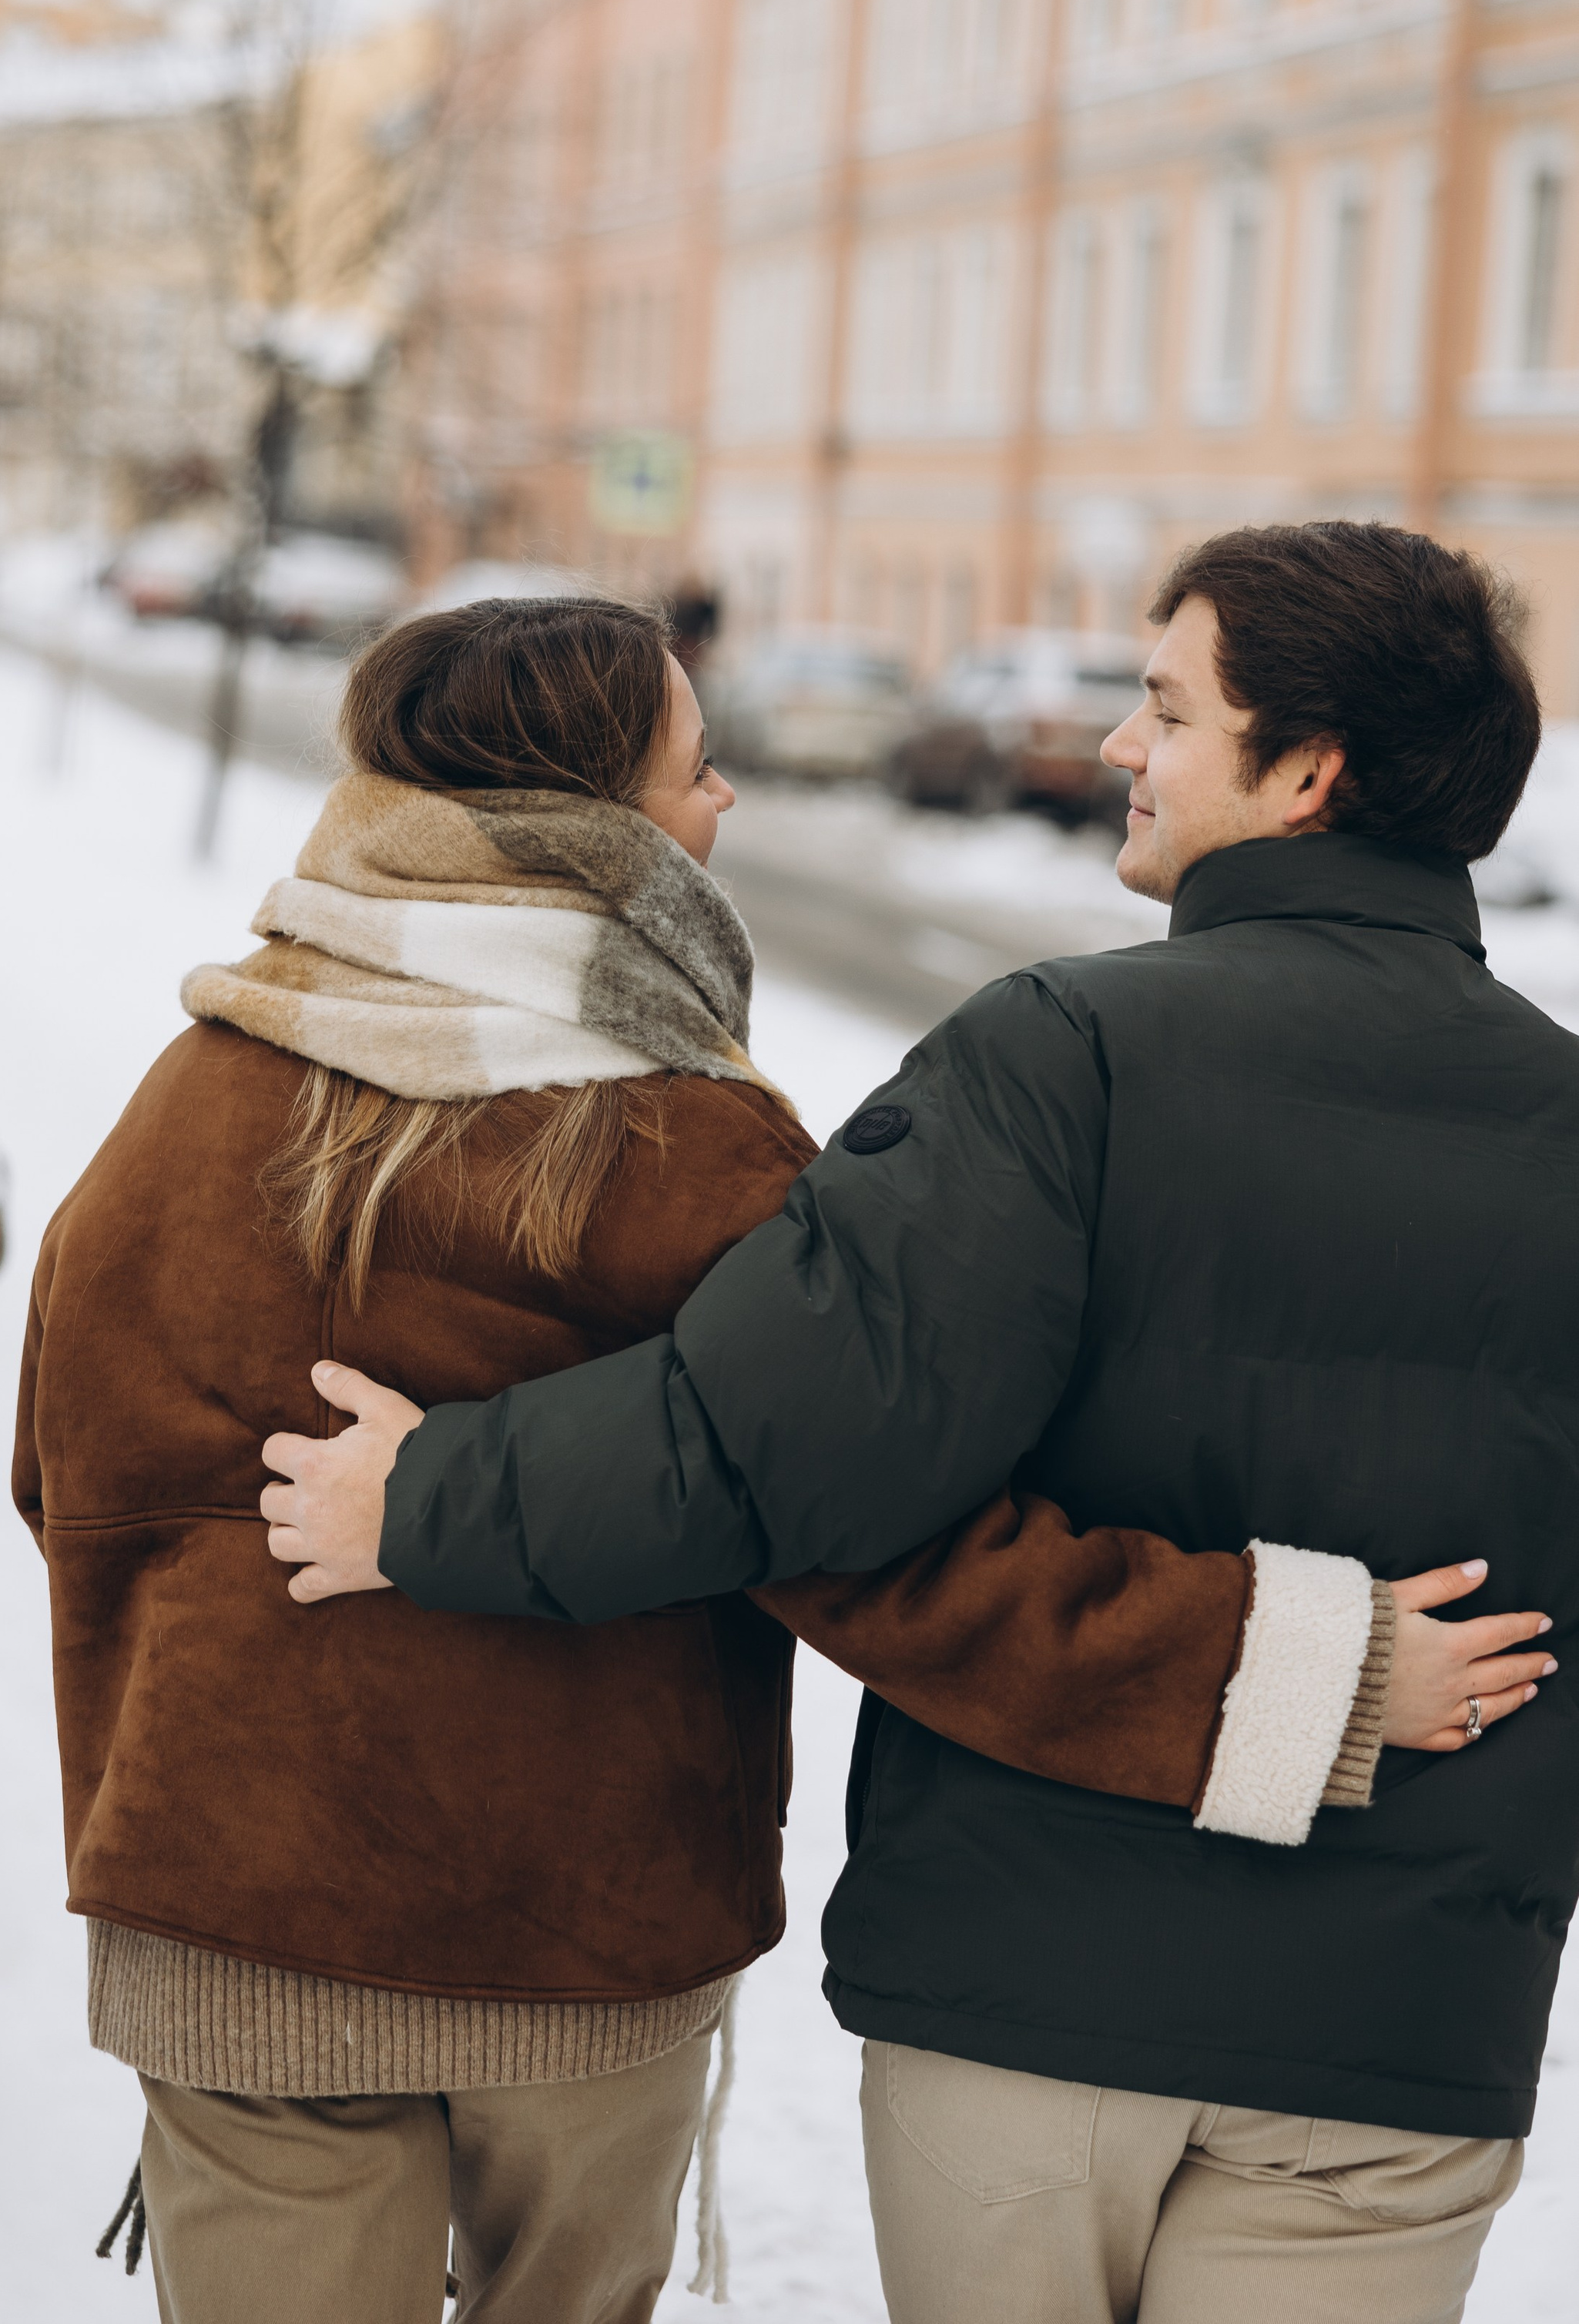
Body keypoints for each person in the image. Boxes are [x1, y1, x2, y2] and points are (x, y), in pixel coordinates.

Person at [264, 524, 1567, 2324]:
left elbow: (778, 1447)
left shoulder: (1063, 1056)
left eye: (1165, 708)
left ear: (1303, 775)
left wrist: (435, 1497)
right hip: (1403, 2039)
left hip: (1031, 1998)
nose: (1118, 744)